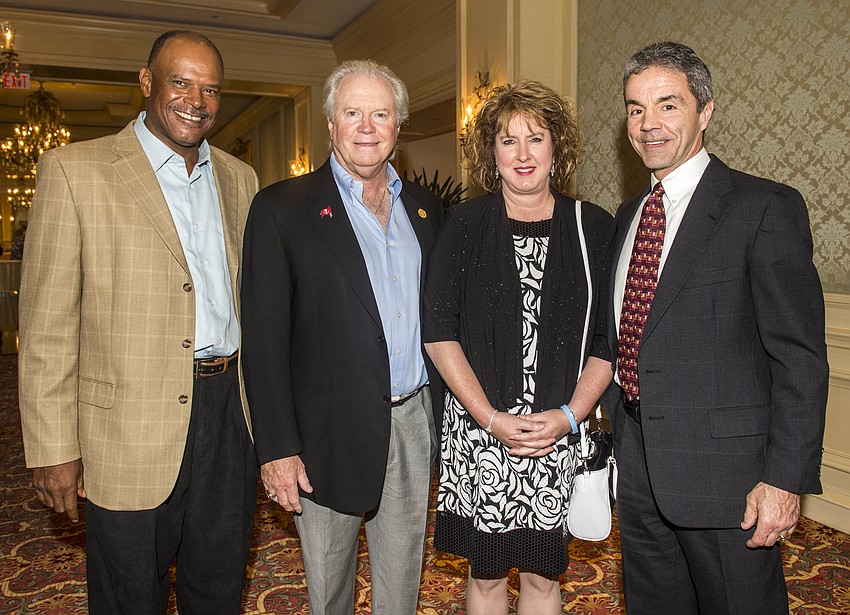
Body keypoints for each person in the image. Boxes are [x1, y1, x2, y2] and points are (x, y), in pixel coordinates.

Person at [18, 30, 259, 615]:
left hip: (230, 414)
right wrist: (52, 447)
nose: (196, 100)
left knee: (220, 582)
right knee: (129, 593)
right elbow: (47, 326)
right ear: (146, 81)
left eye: (210, 89)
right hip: (126, 428)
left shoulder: (239, 179)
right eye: (180, 81)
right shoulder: (76, 172)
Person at [604, 41, 829, 615]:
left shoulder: (762, 207)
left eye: (667, 105)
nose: (648, 124)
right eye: (635, 108)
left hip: (731, 483)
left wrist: (784, 480)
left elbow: (798, 357)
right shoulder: (630, 215)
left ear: (705, 112)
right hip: (639, 471)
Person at [240, 59, 443, 615]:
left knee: (402, 584)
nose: (367, 127)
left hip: (411, 422)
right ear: (330, 123)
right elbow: (262, 340)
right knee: (329, 591)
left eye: (380, 114)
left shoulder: (425, 209)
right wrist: (277, 448)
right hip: (322, 434)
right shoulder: (282, 209)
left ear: (398, 126)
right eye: (352, 113)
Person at [423, 79, 615, 615]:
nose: (523, 154)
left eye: (536, 138)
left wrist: (569, 418)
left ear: (558, 147)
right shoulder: (462, 225)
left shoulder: (592, 227)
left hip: (557, 433)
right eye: (509, 141)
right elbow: (439, 332)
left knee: (542, 578)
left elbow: (608, 340)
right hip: (479, 433)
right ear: (493, 153)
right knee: (484, 581)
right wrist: (488, 418)